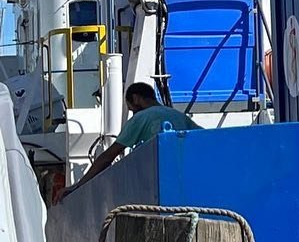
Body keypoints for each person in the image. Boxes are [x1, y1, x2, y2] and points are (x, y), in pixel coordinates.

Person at [55, 82, 201, 203]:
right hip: (187, 184)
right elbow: (202, 138)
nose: (132, 113)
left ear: (136, 98)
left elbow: (108, 157)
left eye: (130, 109)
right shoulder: (179, 116)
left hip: (157, 188)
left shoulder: (141, 117)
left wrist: (78, 185)